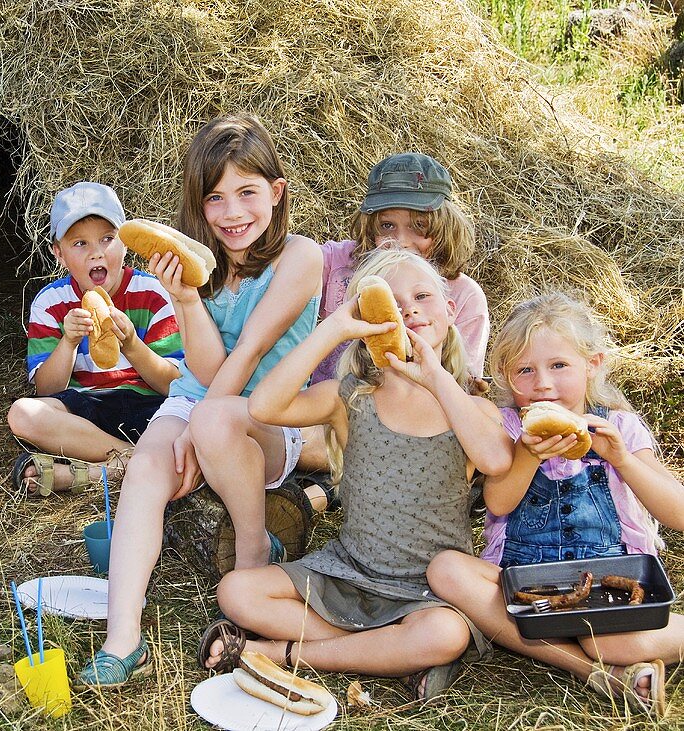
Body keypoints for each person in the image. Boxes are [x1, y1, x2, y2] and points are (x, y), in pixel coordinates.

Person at [199, 249, 513, 702]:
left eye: (423, 296)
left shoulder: (471, 408)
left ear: (450, 310)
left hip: (426, 590)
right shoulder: (350, 398)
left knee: (444, 633)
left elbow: (497, 460)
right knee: (237, 593)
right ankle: (387, 654)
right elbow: (263, 406)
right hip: (347, 574)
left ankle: (280, 652)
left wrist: (435, 377)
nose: (408, 309)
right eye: (392, 303)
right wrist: (333, 330)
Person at [76, 114, 323, 687]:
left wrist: (200, 424)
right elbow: (207, 368)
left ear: (276, 193)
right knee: (143, 468)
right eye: (215, 199)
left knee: (209, 420)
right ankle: (123, 638)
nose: (232, 213)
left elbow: (250, 354)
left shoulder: (301, 258)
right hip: (203, 397)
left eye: (247, 193)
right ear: (197, 206)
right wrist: (186, 297)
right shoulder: (196, 268)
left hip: (265, 413)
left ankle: (254, 553)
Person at [427, 293, 683, 717]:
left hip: (608, 583)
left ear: (593, 364)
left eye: (558, 366)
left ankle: (607, 657)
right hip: (525, 581)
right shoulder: (506, 424)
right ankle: (597, 672)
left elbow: (676, 513)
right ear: (507, 379)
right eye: (525, 370)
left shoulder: (617, 425)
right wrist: (528, 454)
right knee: (446, 570)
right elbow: (499, 501)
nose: (542, 383)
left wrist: (620, 459)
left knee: (606, 639)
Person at [295, 153, 488, 505]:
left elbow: (461, 390)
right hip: (324, 411)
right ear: (369, 226)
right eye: (387, 226)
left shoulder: (462, 296)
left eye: (420, 227)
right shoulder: (335, 264)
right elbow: (288, 256)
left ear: (444, 226)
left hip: (406, 428)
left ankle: (323, 492)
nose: (401, 240)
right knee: (292, 435)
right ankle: (325, 485)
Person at [7, 182, 182, 495]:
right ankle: (131, 460)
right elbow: (48, 389)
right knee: (23, 414)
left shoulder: (154, 294)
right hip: (87, 412)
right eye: (80, 244)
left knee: (196, 417)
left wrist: (131, 344)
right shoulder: (50, 303)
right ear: (58, 253)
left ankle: (92, 472)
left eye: (107, 239)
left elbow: (172, 384)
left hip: (148, 405)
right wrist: (69, 342)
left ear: (125, 244)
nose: (96, 252)